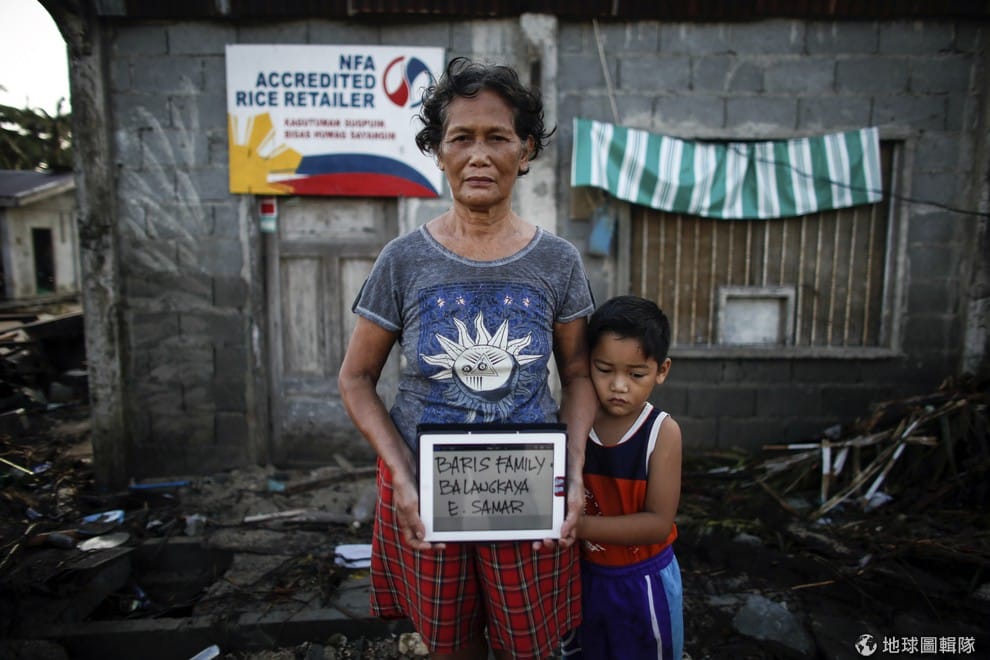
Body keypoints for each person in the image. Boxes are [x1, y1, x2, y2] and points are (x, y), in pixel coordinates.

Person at [338, 56, 597, 660]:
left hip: (528, 486)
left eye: (497, 137)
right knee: (449, 645)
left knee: (528, 646)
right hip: (426, 489)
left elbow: (578, 373)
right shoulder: (403, 260)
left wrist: (575, 471)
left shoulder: (557, 261)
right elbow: (356, 378)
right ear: (438, 151)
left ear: (525, 150)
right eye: (461, 138)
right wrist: (401, 475)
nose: (479, 155)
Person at [562, 295, 684, 660]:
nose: (618, 385)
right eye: (604, 369)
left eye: (636, 374)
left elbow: (657, 524)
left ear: (662, 370)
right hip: (584, 575)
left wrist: (577, 527)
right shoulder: (574, 425)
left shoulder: (662, 433)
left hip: (642, 580)